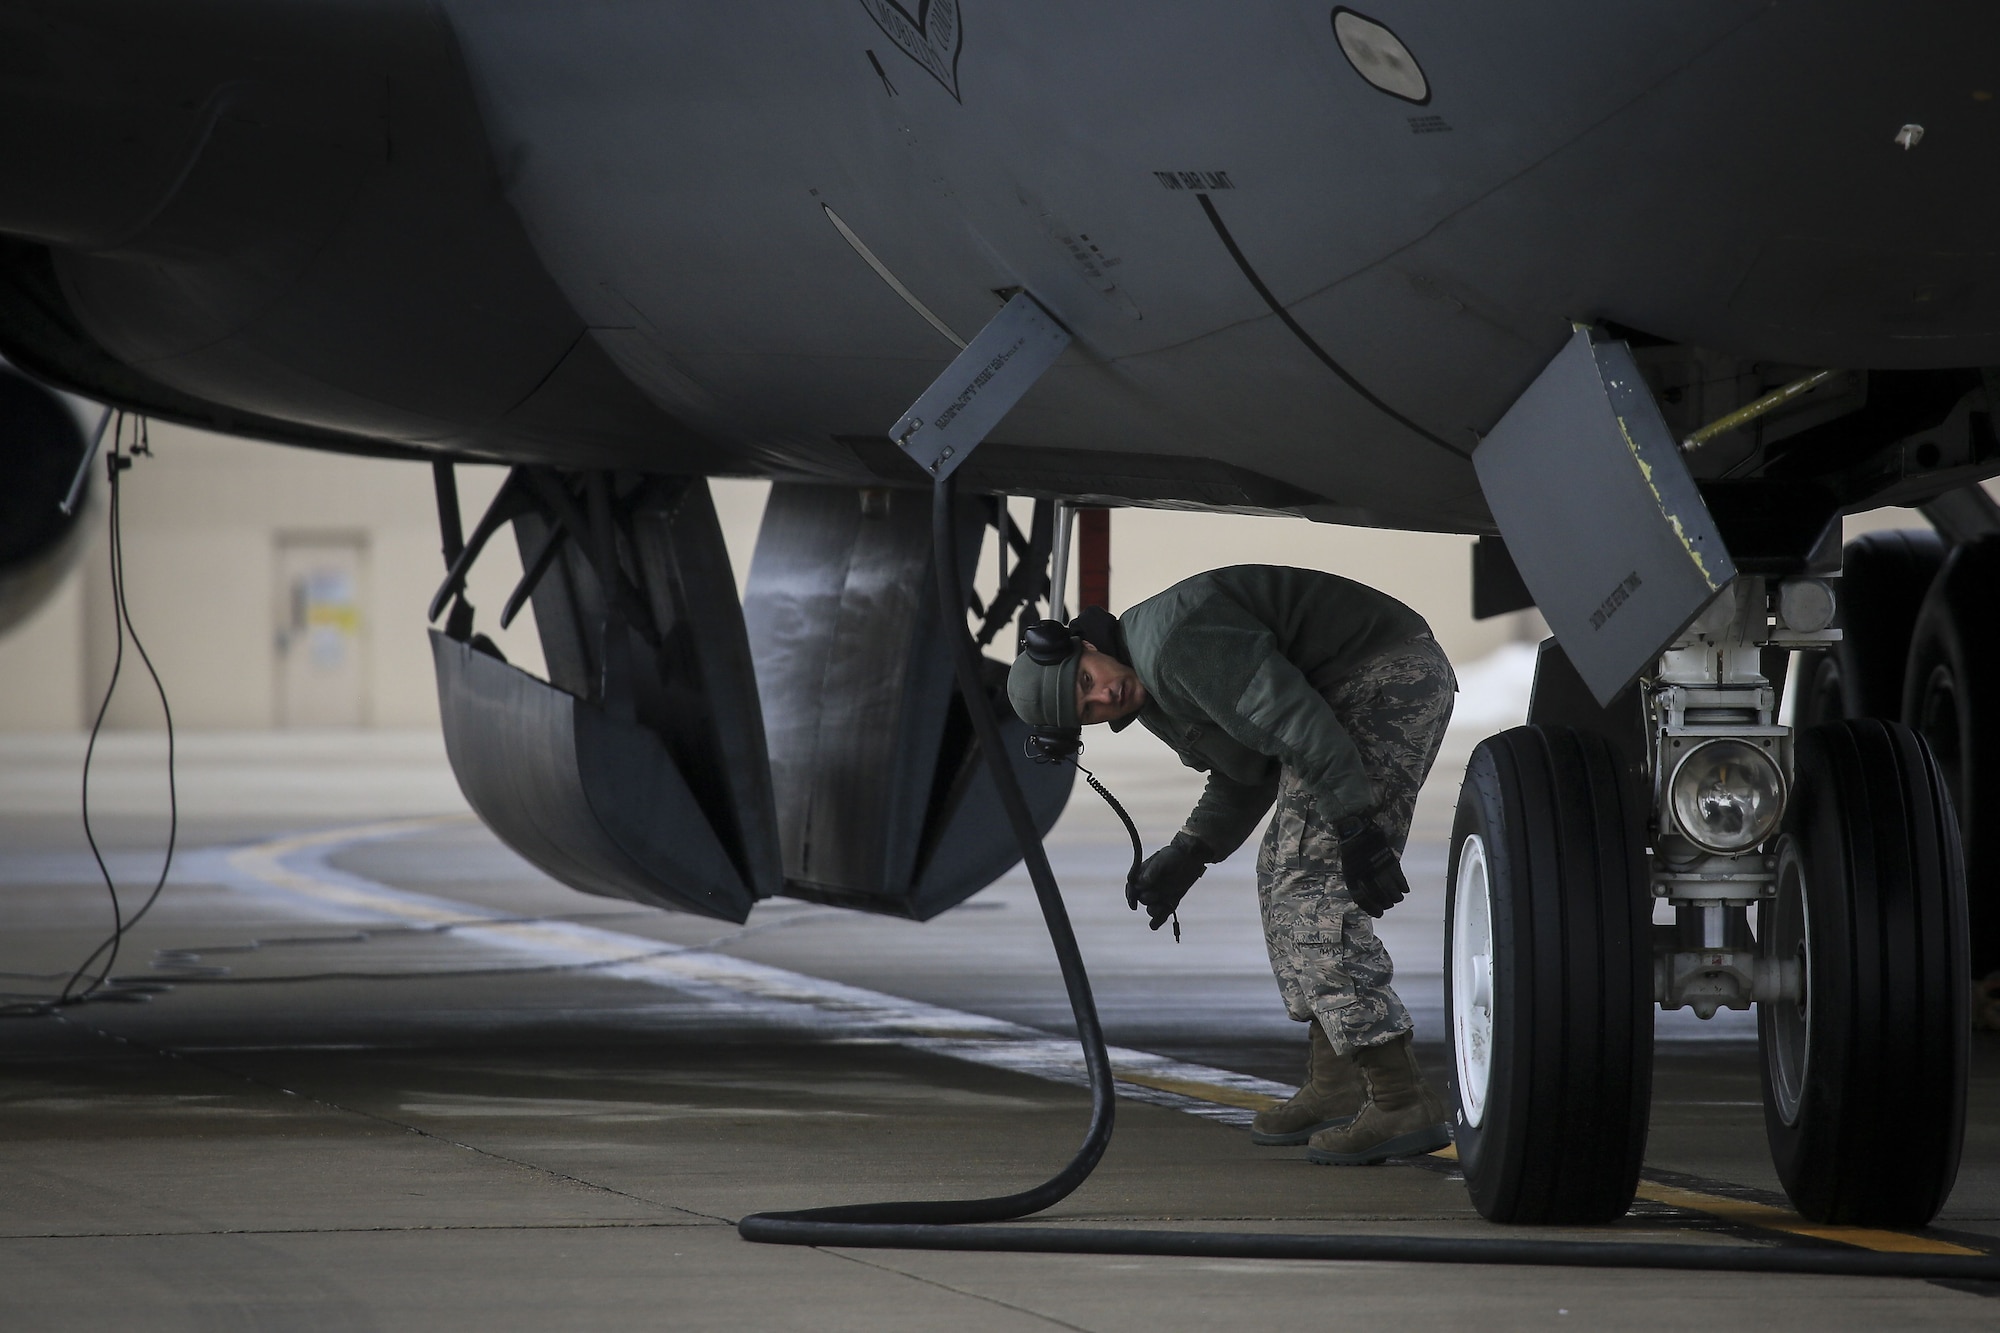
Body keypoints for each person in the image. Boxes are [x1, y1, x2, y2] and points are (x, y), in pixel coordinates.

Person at [1007, 565, 1456, 1165]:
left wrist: (1354, 822)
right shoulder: (1150, 686)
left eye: (1086, 679)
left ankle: (1402, 1099)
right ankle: (1336, 1083)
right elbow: (1249, 769)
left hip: (1382, 676)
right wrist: (1188, 854)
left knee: (1310, 890)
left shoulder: (1174, 649)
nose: (1101, 697)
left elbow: (1294, 723)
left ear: (1085, 646)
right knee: (1281, 875)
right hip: (1340, 697)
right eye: (1085, 709)